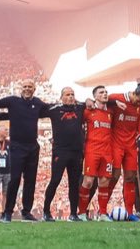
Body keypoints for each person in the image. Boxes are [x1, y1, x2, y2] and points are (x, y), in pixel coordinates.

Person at [0, 79, 46, 222]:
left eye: (30, 86)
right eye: (25, 86)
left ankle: (26, 212)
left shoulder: (38, 103)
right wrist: (4, 116)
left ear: (34, 89)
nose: (27, 89)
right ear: (20, 88)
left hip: (33, 147)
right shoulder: (13, 101)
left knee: (30, 180)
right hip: (17, 146)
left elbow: (50, 110)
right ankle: (8, 212)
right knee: (14, 179)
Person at [107, 84, 140, 221]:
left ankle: (130, 212)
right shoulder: (117, 97)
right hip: (116, 143)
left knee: (130, 177)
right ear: (134, 93)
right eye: (138, 100)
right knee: (114, 175)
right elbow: (103, 100)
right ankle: (102, 211)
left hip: (131, 145)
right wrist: (114, 103)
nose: (139, 103)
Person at [41, 87, 85, 222]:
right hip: (60, 152)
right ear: (61, 97)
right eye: (67, 94)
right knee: (55, 180)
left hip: (77, 152)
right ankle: (46, 211)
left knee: (74, 183)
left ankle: (73, 214)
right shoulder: (54, 109)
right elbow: (37, 109)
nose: (70, 97)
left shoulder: (80, 108)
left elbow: (93, 103)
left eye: (72, 94)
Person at [76, 85, 117, 221]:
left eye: (106, 92)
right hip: (92, 150)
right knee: (88, 181)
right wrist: (87, 101)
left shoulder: (111, 112)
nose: (105, 94)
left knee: (104, 181)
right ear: (95, 96)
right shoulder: (88, 111)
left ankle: (103, 214)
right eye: (101, 92)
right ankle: (82, 212)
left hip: (107, 151)